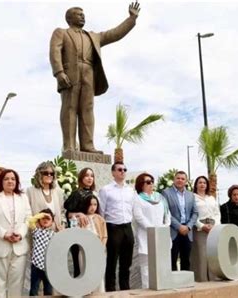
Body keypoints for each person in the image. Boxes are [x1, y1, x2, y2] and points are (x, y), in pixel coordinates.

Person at [49, 1, 141, 153]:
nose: (83, 17)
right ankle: (70, 146)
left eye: (83, 15)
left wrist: (131, 19)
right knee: (70, 108)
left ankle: (87, 145)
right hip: (70, 74)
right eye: (79, 15)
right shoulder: (61, 33)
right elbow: (54, 52)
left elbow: (115, 34)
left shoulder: (93, 36)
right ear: (69, 18)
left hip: (89, 73)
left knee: (87, 109)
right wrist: (59, 72)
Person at [0, 169, 32, 297]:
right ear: (1, 181)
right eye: (6, 179)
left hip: (19, 247)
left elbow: (28, 218)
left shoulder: (23, 197)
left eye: (13, 179)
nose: (10, 181)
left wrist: (20, 234)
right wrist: (4, 234)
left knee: (17, 283)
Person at [98, 162, 136, 291]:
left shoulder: (131, 190)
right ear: (113, 172)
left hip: (127, 227)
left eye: (125, 169)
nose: (123, 171)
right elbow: (101, 211)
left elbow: (132, 209)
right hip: (113, 228)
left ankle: (125, 289)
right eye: (119, 169)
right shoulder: (105, 190)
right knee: (112, 261)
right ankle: (111, 290)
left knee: (127, 262)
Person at [133, 173, 170, 289]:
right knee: (147, 269)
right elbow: (138, 216)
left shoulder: (160, 197)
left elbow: (167, 214)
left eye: (152, 181)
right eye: (148, 182)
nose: (151, 184)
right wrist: (152, 229)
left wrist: (165, 225)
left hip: (161, 235)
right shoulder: (138, 199)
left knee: (161, 267)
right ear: (141, 185)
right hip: (146, 236)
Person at [162, 171, 198, 271]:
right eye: (178, 178)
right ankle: (173, 284)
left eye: (182, 179)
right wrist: (179, 227)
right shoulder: (166, 193)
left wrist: (189, 226)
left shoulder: (191, 195)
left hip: (187, 231)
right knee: (172, 260)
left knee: (186, 260)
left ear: (186, 181)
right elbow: (166, 212)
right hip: (173, 231)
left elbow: (195, 212)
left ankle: (185, 284)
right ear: (174, 180)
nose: (180, 180)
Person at [64, 167, 95, 277]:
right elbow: (68, 213)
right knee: (78, 263)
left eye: (91, 176)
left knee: (90, 263)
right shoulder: (76, 194)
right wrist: (79, 214)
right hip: (77, 232)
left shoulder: (93, 193)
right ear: (81, 178)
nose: (89, 178)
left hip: (91, 231)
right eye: (86, 175)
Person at [190, 175, 221, 282]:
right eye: (200, 182)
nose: (202, 184)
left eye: (204, 182)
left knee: (212, 254)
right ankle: (201, 280)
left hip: (213, 227)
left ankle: (213, 279)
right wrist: (202, 226)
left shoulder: (211, 198)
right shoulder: (192, 197)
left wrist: (215, 225)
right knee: (201, 255)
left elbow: (217, 214)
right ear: (196, 185)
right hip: (200, 228)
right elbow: (191, 215)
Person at [80, 193, 107, 292]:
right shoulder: (80, 218)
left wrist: (102, 247)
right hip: (84, 249)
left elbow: (104, 235)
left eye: (95, 205)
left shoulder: (100, 219)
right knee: (85, 272)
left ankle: (99, 294)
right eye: (90, 204)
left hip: (97, 248)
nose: (92, 207)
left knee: (98, 273)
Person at [26, 161, 64, 230]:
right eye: (46, 173)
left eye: (51, 173)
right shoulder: (30, 191)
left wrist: (62, 224)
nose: (49, 175)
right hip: (38, 233)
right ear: (39, 175)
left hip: (56, 232)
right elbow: (26, 213)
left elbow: (62, 212)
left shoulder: (58, 192)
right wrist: (34, 225)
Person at [28, 209, 56, 296]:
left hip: (49, 266)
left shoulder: (54, 234)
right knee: (34, 290)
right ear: (39, 220)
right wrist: (41, 215)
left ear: (52, 222)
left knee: (48, 290)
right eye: (43, 218)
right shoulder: (36, 231)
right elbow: (30, 221)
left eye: (48, 219)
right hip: (36, 265)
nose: (45, 220)